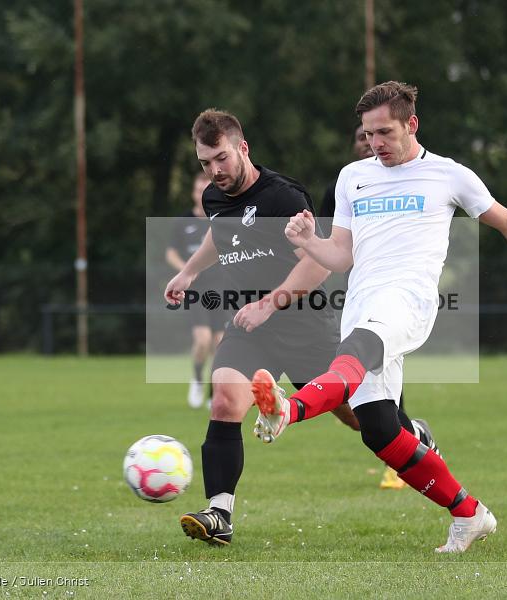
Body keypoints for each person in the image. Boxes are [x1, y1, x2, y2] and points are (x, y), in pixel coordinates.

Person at [251, 81, 507, 553]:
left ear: (411, 124)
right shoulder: (350, 177)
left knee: (354, 353)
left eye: (385, 132)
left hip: (407, 301)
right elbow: (340, 256)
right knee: (381, 432)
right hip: (361, 304)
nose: (375, 143)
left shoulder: (448, 175)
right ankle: (470, 514)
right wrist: (306, 241)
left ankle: (289, 410)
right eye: (368, 134)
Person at [163, 109, 437, 546]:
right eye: (204, 163)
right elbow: (222, 235)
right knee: (225, 403)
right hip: (250, 328)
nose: (214, 171)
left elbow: (317, 265)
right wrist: (190, 272)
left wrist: (269, 304)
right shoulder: (215, 198)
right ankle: (220, 514)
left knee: (361, 420)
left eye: (221, 158)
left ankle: (415, 433)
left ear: (242, 148)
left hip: (307, 328)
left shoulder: (283, 197)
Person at [320, 123, 410, 491]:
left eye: (375, 135)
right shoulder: (343, 186)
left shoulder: (408, 182)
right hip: (351, 294)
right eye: (361, 138)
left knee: (382, 369)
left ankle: (404, 451)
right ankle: (409, 436)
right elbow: (328, 244)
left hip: (392, 296)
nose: (368, 143)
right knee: (365, 397)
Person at [165, 171, 226, 408]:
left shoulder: (220, 220)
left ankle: (214, 392)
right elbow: (170, 252)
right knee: (202, 340)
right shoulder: (182, 221)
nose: (202, 194)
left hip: (220, 289)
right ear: (193, 192)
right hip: (195, 290)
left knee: (220, 343)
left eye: (206, 190)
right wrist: (187, 271)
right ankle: (198, 379)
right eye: (198, 190)